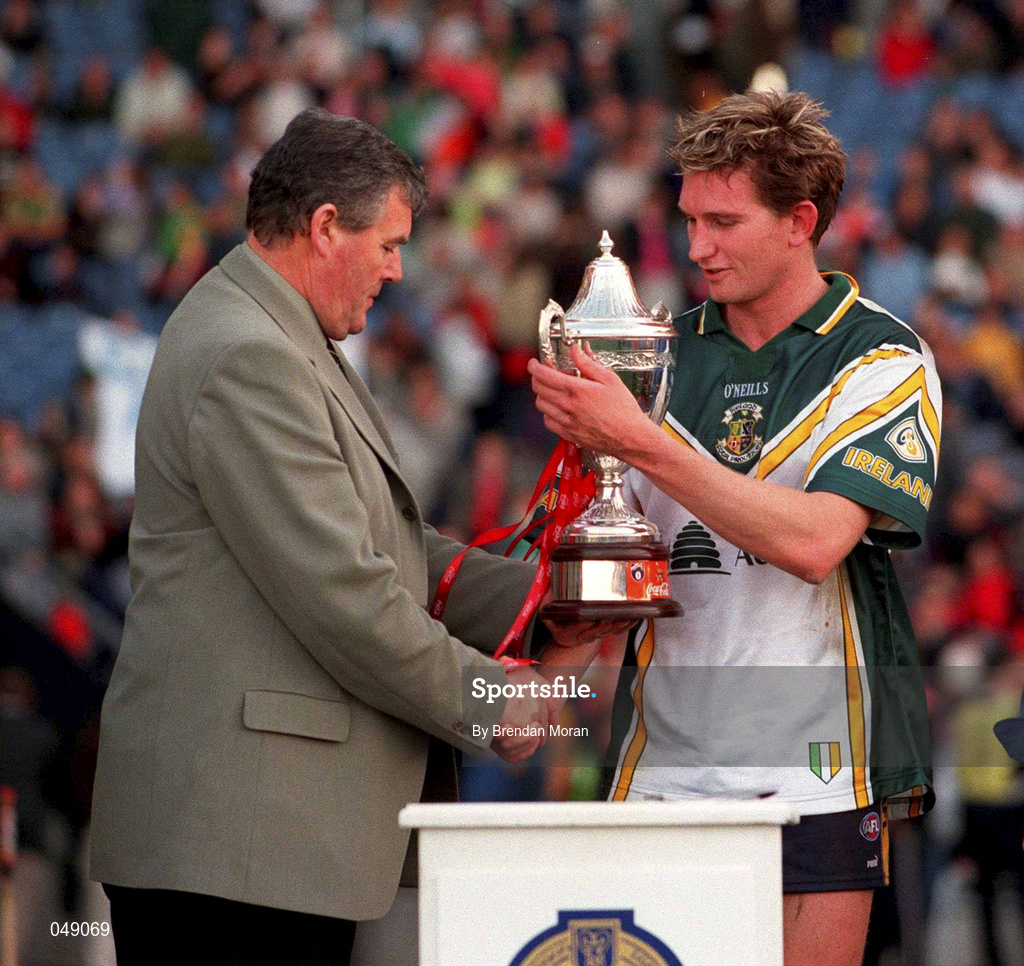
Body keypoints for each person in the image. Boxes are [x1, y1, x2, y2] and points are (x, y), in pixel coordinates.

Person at [89, 109, 610, 966]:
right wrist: (492, 695)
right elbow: (346, 597)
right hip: (235, 859)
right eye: (389, 244)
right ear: (327, 227)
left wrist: (549, 603)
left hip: (261, 853)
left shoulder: (280, 334)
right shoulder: (247, 355)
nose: (398, 270)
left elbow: (390, 545)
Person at [528, 91, 940, 966]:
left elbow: (814, 542)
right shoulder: (651, 353)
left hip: (820, 772)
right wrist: (542, 667)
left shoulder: (879, 356)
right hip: (662, 771)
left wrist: (639, 441)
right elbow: (611, 580)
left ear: (800, 222)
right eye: (687, 220)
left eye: (723, 222)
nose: (695, 248)